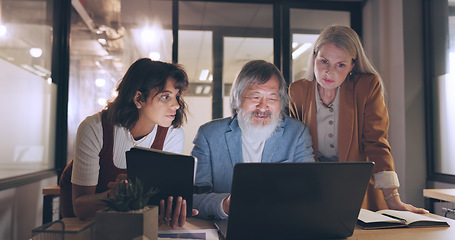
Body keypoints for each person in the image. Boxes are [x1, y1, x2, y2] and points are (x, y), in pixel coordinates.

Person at [288, 25, 427, 213]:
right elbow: (294, 145)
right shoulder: (297, 91)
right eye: (324, 62)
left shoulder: (367, 86)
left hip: (356, 188)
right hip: (313, 186)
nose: (330, 72)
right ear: (314, 58)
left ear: (352, 66)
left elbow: (376, 143)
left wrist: (392, 198)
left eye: (340, 65)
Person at [59, 58, 197, 227]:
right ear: (139, 98)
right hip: (88, 219)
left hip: (134, 219)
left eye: (176, 96)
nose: (176, 105)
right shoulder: (94, 128)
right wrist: (117, 195)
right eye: (165, 96)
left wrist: (170, 208)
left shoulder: (173, 134)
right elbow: (81, 207)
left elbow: (157, 202)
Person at [191, 60, 315, 219]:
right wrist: (225, 204)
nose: (263, 107)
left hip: (281, 225)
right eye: (255, 96)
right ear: (237, 99)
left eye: (272, 98)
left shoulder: (297, 134)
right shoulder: (209, 135)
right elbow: (193, 198)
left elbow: (309, 192)